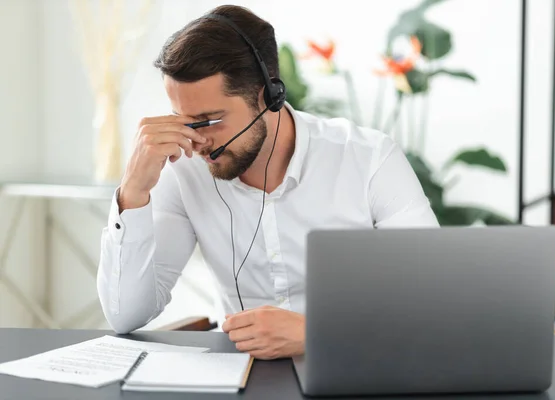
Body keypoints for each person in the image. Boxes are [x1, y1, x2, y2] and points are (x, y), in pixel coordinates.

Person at [97, 4, 439, 360]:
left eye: (209, 120)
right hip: (241, 380)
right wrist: (133, 192)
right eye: (183, 121)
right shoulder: (183, 169)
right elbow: (126, 315)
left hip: (357, 367)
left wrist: (317, 334)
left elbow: (433, 303)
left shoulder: (369, 159)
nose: (196, 141)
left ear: (268, 97)